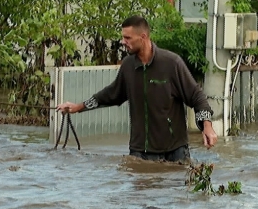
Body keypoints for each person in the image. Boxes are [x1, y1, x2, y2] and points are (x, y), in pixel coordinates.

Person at [56, 15, 217, 163]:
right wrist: (78, 107)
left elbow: (197, 97)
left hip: (175, 152)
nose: (123, 41)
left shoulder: (171, 63)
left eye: (127, 38)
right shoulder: (128, 66)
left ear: (143, 37)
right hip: (139, 152)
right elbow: (110, 95)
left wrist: (207, 127)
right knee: (138, 193)